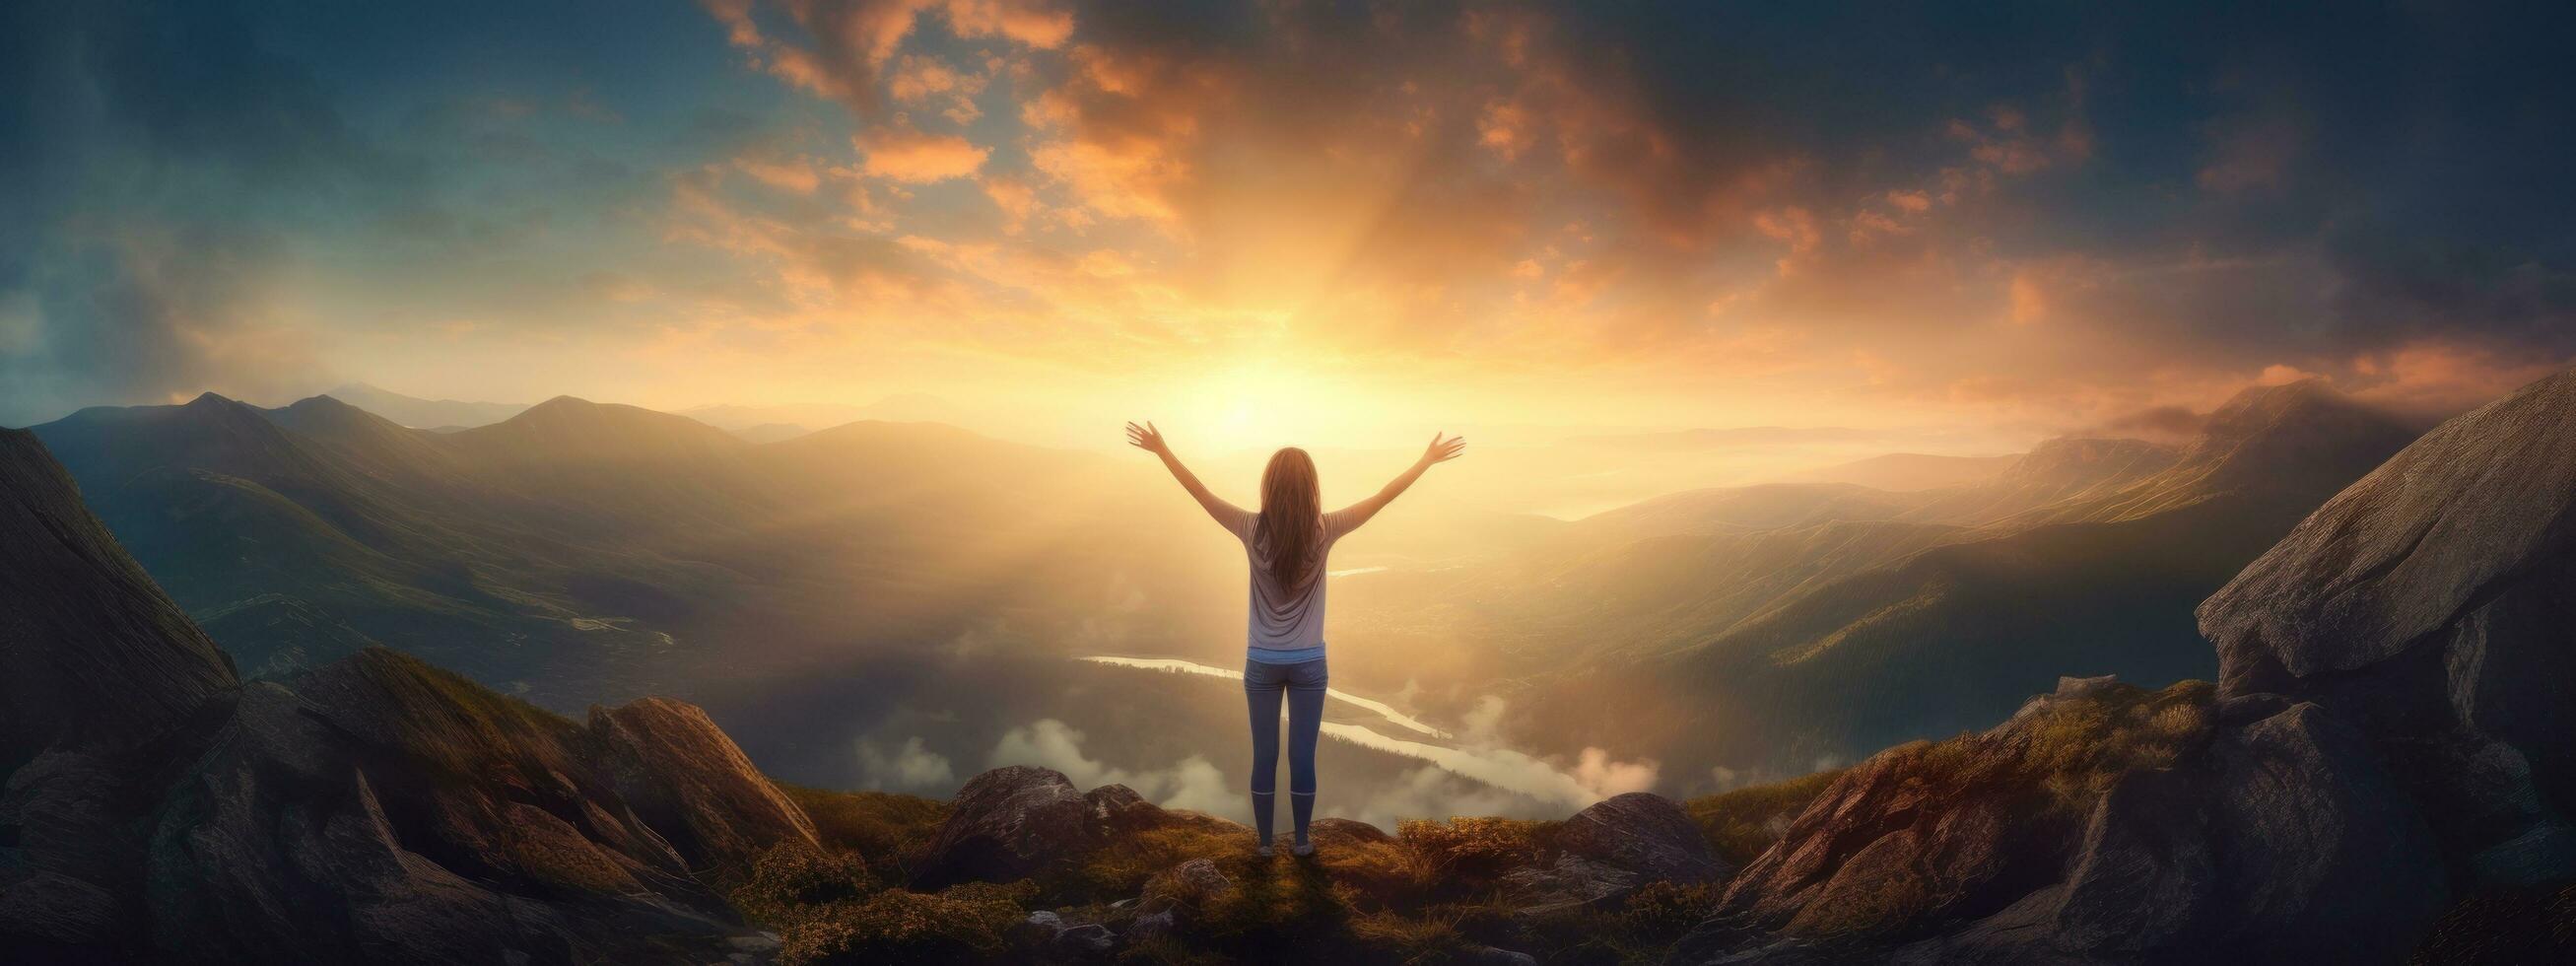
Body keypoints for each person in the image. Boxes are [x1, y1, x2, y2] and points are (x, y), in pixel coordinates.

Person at [1126, 421, 1465, 858]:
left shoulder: (1250, 528)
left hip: (1262, 663)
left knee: (1264, 755)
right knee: (1302, 756)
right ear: (1311, 488)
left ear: (1268, 486)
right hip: (1309, 663)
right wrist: (1426, 460)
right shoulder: (1326, 529)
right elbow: (1383, 496)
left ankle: (1265, 844)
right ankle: (1303, 842)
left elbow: (1201, 493)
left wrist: (1162, 450)